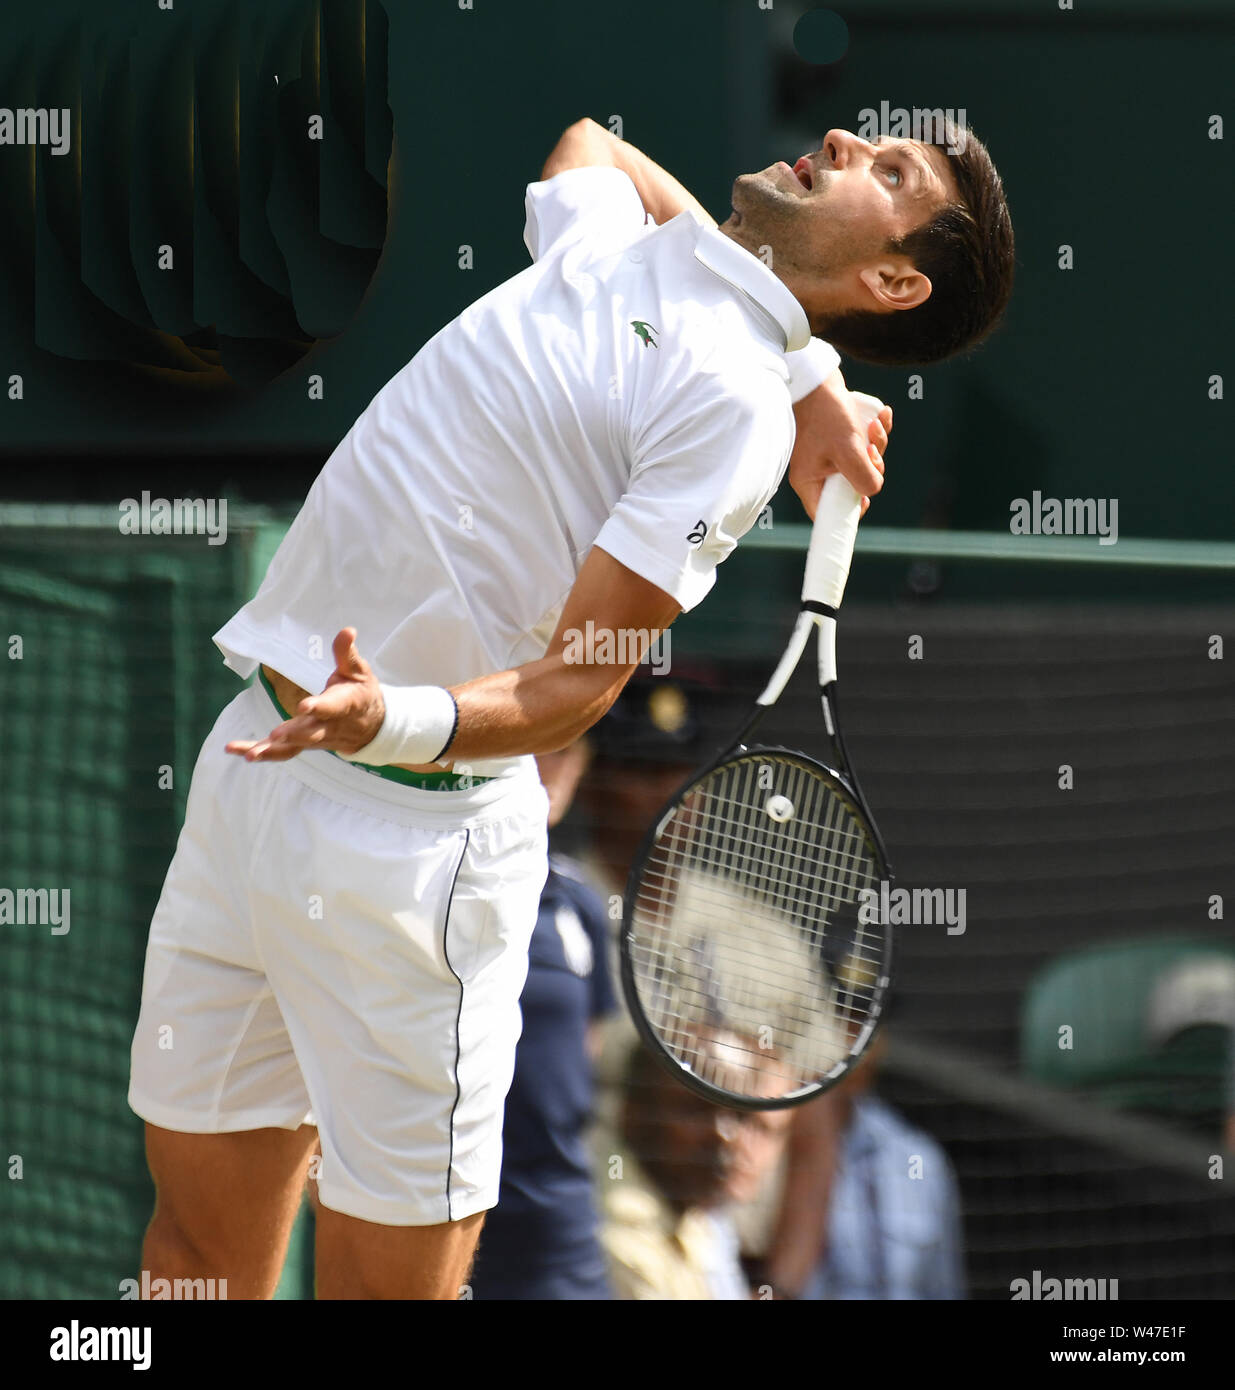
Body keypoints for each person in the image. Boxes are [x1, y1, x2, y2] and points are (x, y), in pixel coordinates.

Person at [127, 115, 1014, 1299]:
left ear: (893, 278)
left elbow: (576, 683)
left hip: (414, 859)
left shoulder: (732, 414)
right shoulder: (627, 257)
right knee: (190, 1264)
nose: (849, 136)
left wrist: (385, 716)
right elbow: (589, 141)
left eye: (889, 173)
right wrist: (818, 377)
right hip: (257, 774)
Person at [467, 740, 617, 1299]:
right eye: (534, 746)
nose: (549, 767)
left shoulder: (581, 906)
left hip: (555, 1226)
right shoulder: (430, 886)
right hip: (430, 1200)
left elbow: (585, 1053)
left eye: (568, 748)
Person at [760, 1030, 966, 1300]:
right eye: (840, 1027)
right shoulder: (760, 1147)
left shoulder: (920, 1160)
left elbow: (944, 1288)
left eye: (864, 1030)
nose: (851, 1047)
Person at [602, 1038, 793, 1300]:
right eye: (696, 1109)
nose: (726, 1135)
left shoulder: (700, 1220)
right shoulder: (613, 1232)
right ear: (633, 1114)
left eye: (739, 1116)